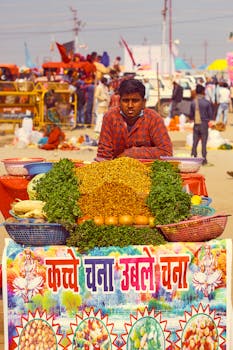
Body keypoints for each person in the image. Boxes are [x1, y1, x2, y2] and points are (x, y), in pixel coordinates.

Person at [96, 78, 173, 161]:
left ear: (143, 102)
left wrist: (132, 153)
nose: (130, 105)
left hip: (145, 170)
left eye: (135, 101)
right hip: (117, 170)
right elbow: (103, 154)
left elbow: (166, 152)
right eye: (125, 101)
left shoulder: (153, 118)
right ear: (119, 101)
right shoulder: (110, 117)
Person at [190, 84, 214, 165]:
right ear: (203, 91)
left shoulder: (193, 102)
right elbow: (210, 115)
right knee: (204, 142)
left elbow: (191, 115)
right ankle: (204, 159)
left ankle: (193, 157)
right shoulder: (206, 103)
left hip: (196, 124)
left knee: (195, 142)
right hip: (204, 124)